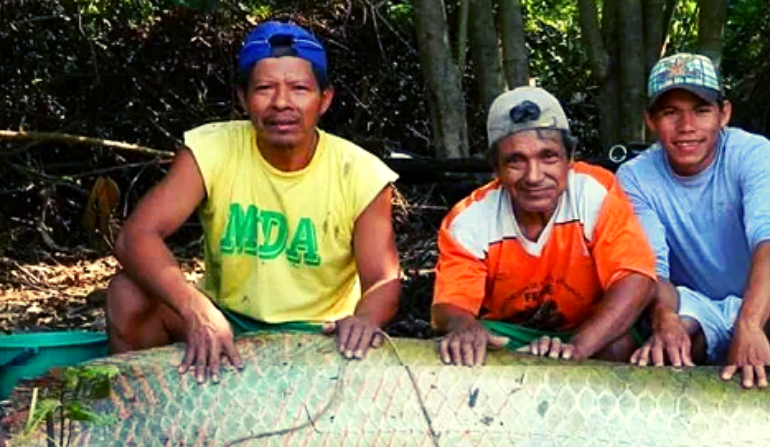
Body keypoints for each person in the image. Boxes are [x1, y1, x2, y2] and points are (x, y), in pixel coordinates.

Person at [106, 20, 401, 381]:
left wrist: (364, 320)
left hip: (320, 333)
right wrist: (194, 308)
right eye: (264, 88)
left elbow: (383, 279)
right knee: (127, 294)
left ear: (324, 100)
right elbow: (135, 237)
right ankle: (146, 419)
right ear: (244, 98)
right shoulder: (211, 150)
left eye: (299, 89)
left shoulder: (361, 173)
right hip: (227, 320)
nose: (281, 103)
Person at [432, 86, 656, 366]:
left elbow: (637, 279)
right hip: (512, 337)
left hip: (587, 330)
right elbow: (449, 305)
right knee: (467, 347)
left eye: (548, 156)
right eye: (516, 161)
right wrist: (464, 327)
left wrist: (575, 349)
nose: (534, 176)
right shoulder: (468, 220)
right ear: (495, 168)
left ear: (570, 158)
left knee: (619, 344)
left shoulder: (594, 191)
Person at [616, 53, 770, 387]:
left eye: (701, 110)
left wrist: (751, 324)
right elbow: (652, 270)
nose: (686, 127)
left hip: (768, 295)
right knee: (670, 347)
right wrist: (665, 319)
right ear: (651, 120)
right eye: (670, 112)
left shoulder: (752, 153)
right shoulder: (635, 176)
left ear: (723, 113)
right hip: (695, 302)